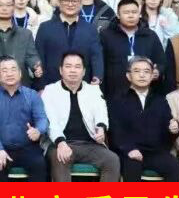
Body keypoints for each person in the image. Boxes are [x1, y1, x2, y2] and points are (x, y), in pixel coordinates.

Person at [42, 52, 120, 181]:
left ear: (83, 71)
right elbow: (50, 122)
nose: (73, 70)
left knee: (112, 160)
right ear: (61, 70)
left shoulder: (93, 90)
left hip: (90, 144)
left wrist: (101, 129)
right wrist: (61, 143)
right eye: (68, 66)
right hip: (61, 143)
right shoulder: (50, 91)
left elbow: (101, 113)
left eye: (77, 67)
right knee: (60, 158)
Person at [107, 56, 179, 182]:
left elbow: (169, 127)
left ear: (152, 75)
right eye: (137, 71)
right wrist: (129, 149)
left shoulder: (160, 100)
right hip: (128, 151)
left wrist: (175, 129)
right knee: (132, 168)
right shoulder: (117, 100)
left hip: (156, 152)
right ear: (128, 76)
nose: (142, 75)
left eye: (146, 71)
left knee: (174, 167)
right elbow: (115, 131)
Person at [0, 57, 48, 181]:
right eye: (4, 70)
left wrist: (38, 130)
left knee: (40, 165)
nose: (9, 74)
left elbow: (42, 119)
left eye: (13, 69)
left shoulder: (32, 95)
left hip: (27, 147)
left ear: (20, 73)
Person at [35, 0, 103, 87]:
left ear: (81, 4)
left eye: (74, 1)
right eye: (66, 1)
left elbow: (96, 55)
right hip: (52, 85)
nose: (70, 4)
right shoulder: (45, 27)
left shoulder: (90, 29)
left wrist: (97, 76)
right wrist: (41, 86)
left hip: (83, 85)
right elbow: (39, 56)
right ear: (59, 3)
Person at [100, 0, 167, 98]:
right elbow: (101, 63)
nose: (131, 15)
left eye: (134, 12)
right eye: (126, 12)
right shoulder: (106, 36)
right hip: (115, 91)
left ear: (139, 14)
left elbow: (161, 61)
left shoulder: (150, 35)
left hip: (146, 92)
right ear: (118, 15)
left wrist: (158, 71)